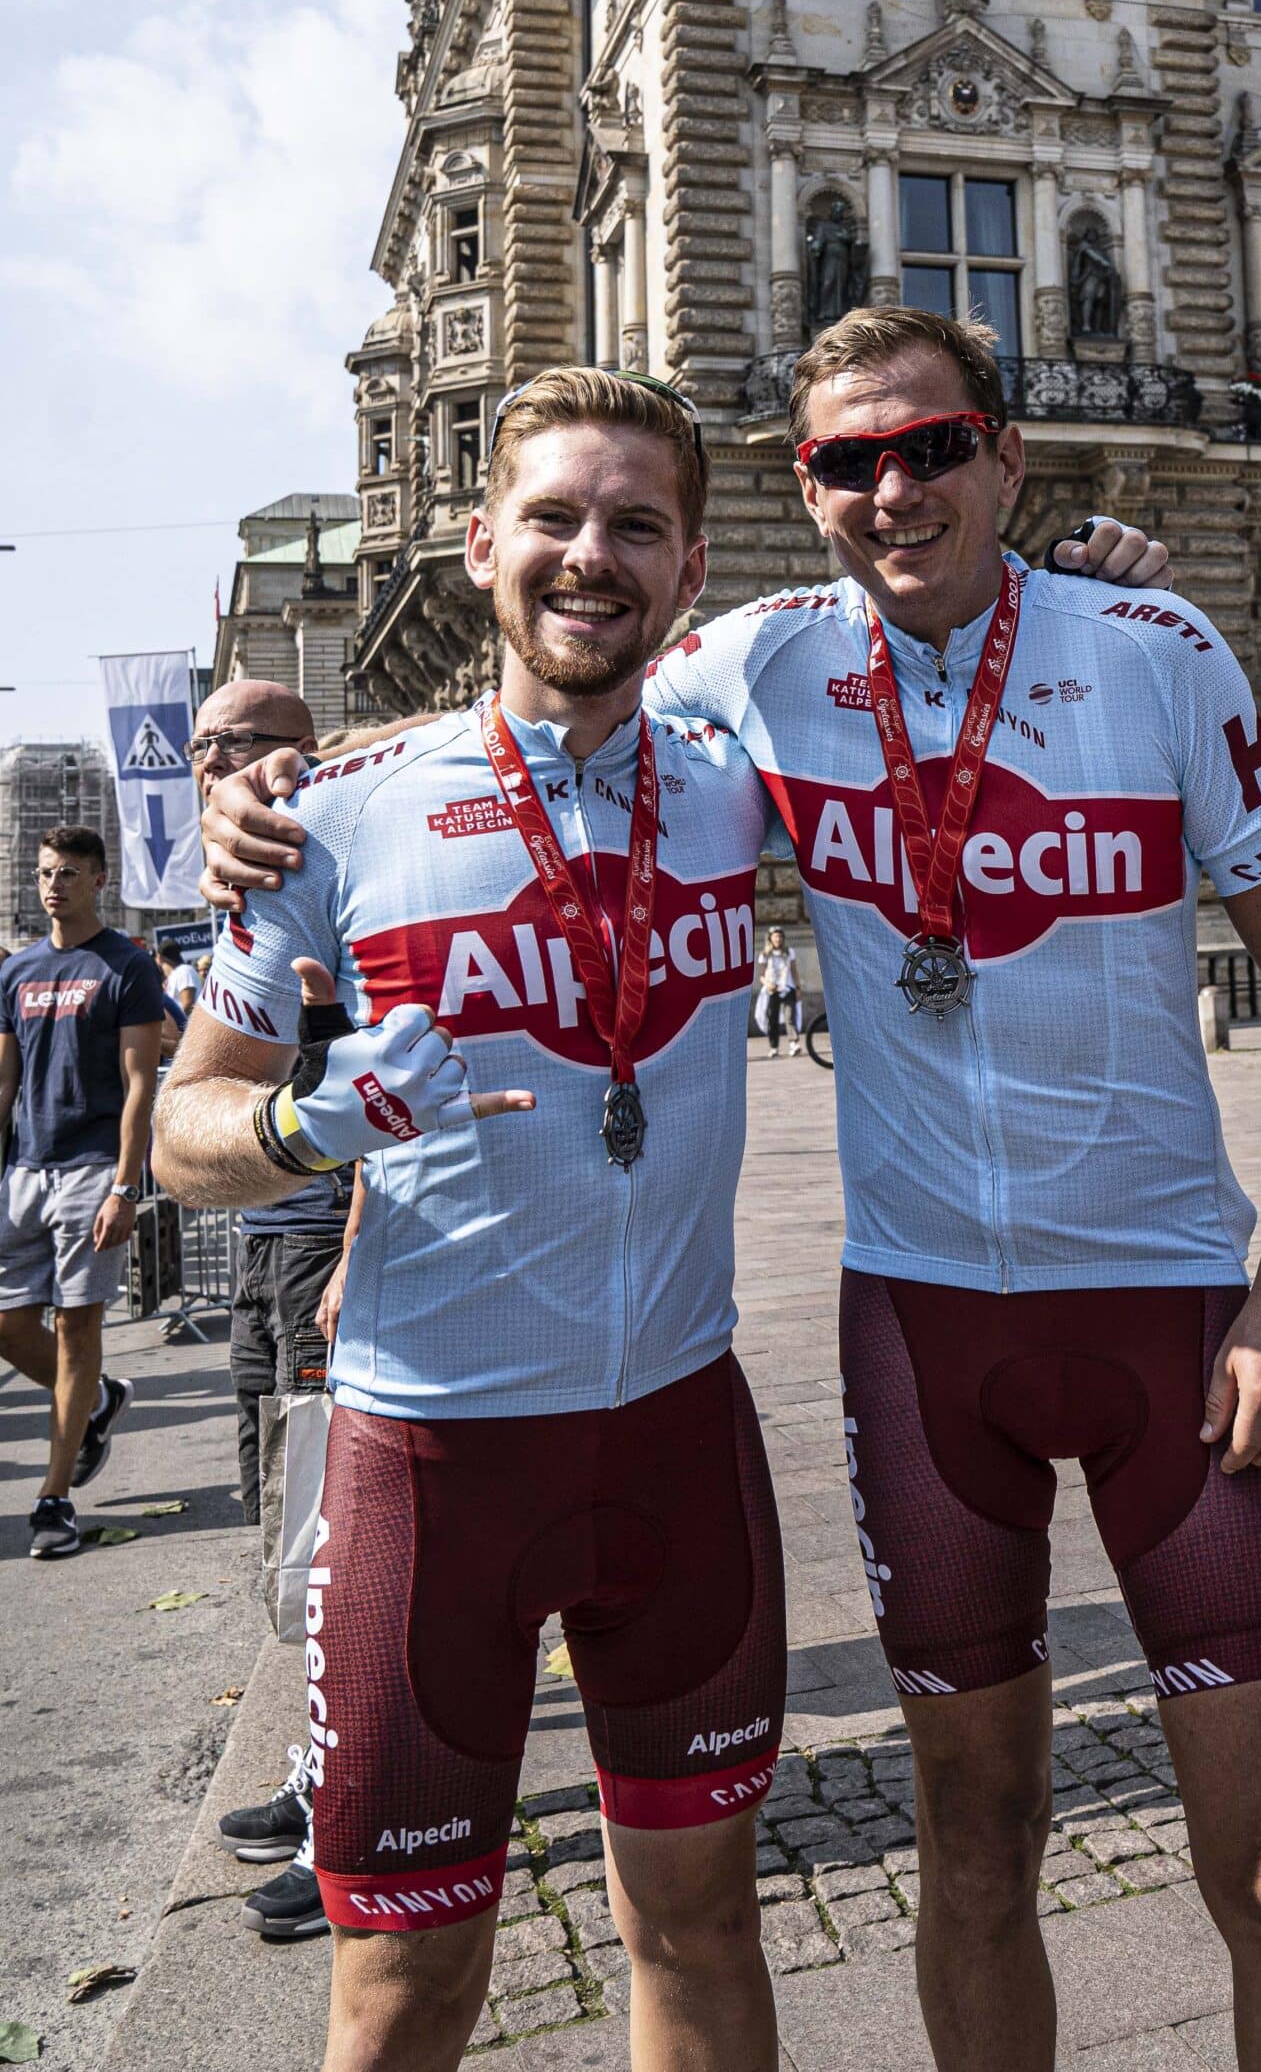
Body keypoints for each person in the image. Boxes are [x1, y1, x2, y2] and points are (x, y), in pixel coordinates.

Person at [206, 310, 1261, 2072]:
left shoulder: (1152, 641)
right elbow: (536, 709)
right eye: (846, 458)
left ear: (1004, 453)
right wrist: (287, 778)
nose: (892, 486)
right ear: (795, 489)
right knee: (973, 1852)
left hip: (1172, 1312)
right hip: (919, 1331)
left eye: (932, 445)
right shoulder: (747, 671)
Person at [157, 375, 790, 2059]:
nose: (593, 555)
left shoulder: (738, 782)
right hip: (433, 1457)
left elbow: (927, 655)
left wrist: (1094, 564)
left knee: (704, 1930)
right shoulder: (333, 808)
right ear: (478, 542)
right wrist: (309, 1116)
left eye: (636, 525)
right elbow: (181, 1130)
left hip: (676, 1428)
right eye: (556, 517)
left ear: (689, 568)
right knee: (402, 1983)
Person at [185, 686, 357, 1917]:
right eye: (198, 746)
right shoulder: (249, 857)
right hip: (263, 1245)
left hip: (320, 1251)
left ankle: (344, 1793)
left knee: (326, 1537)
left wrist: (357, 1241)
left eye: (232, 744)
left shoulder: (324, 829)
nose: (209, 762)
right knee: (282, 1512)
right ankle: (325, 1766)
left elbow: (378, 1070)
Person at [0, 828, 158, 1557]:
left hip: (94, 1168)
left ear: (99, 879)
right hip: (24, 1173)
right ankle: (95, 1400)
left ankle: (53, 1500)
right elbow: (5, 1083)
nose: (52, 885)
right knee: (8, 1326)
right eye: (43, 873)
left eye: (67, 873)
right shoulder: (17, 971)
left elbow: (139, 1086)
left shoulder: (127, 965)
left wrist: (125, 1186)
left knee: (76, 1332)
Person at [752, 927, 802, 1057]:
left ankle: (793, 1043)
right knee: (772, 1018)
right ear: (770, 938)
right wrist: (768, 983)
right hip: (772, 989)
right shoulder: (764, 954)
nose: (778, 939)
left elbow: (794, 971)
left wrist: (797, 988)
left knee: (789, 1016)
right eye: (775, 936)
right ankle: (774, 1046)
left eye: (780, 936)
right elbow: (761, 975)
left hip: (788, 988)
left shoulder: (789, 952)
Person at [155, 936, 197, 1058]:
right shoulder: (174, 975)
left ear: (159, 958)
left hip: (186, 1037)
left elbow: (187, 1003)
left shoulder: (184, 970)